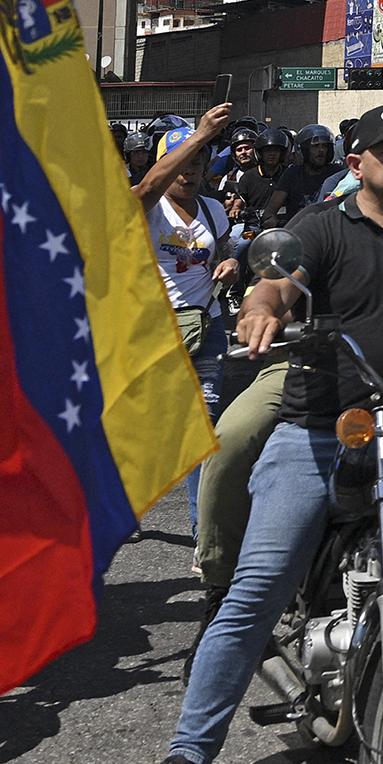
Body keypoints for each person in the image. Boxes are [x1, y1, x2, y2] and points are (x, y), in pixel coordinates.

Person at [156, 103, 383, 764]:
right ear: (356, 165)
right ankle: (187, 754)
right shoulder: (320, 227)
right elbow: (278, 284)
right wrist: (262, 311)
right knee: (258, 590)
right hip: (320, 426)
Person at [134, 108, 245, 526]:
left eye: (197, 161)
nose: (190, 170)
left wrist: (231, 263)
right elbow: (147, 185)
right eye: (181, 161)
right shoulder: (146, 204)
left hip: (206, 327)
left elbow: (224, 251)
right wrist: (197, 136)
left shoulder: (214, 209)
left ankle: (204, 537)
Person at [277, 124, 340, 211]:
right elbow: (271, 209)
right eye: (315, 146)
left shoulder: (337, 174)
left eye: (324, 146)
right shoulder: (292, 174)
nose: (321, 150)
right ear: (304, 149)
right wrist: (271, 218)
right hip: (297, 224)